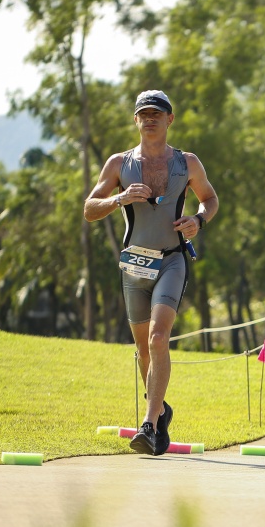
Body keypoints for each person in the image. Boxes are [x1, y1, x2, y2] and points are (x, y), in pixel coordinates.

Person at [83, 90, 219, 455]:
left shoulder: (187, 162)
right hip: (134, 264)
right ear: (136, 120)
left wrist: (198, 220)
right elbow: (89, 208)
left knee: (160, 339)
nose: (150, 119)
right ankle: (160, 415)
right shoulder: (119, 164)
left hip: (172, 259)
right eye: (143, 114)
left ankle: (148, 423)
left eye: (157, 113)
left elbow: (210, 198)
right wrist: (118, 199)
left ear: (169, 119)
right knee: (144, 349)